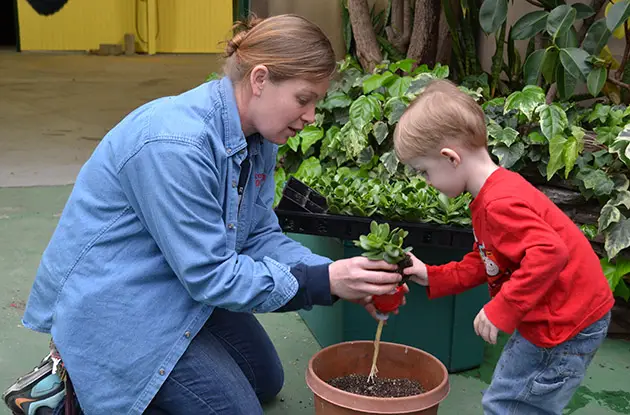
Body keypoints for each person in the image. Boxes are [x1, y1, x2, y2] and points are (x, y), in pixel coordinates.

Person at [3, 14, 407, 415]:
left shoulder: (257, 136)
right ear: (260, 79)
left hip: (174, 282)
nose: (311, 117)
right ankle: (74, 386)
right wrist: (322, 282)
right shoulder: (177, 145)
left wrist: (341, 276)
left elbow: (257, 236)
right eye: (304, 99)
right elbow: (210, 275)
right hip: (120, 303)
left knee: (266, 378)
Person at [393, 79, 615, 415]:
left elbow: (550, 253)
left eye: (425, 172)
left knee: (511, 405)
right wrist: (433, 275)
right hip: (562, 313)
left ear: (451, 158)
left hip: (564, 322)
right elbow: (489, 260)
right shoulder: (495, 191)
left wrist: (504, 307)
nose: (427, 182)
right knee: (513, 398)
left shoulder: (499, 203)